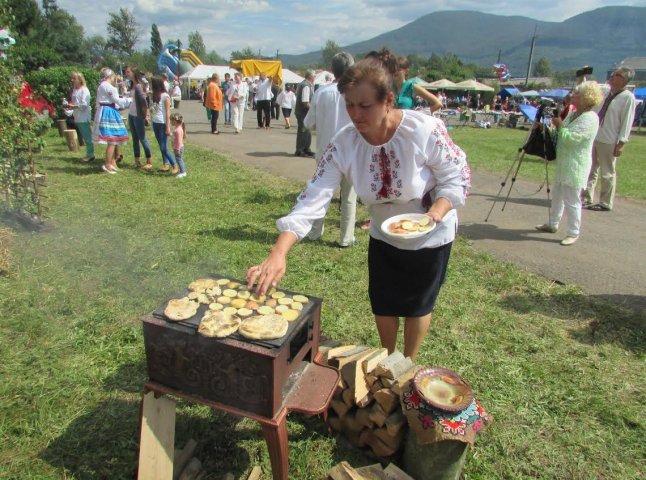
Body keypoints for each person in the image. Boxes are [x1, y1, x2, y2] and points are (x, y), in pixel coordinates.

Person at [246, 56, 471, 361]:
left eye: (364, 106)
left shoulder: (422, 129)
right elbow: (314, 196)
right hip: (384, 233)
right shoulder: (344, 144)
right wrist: (278, 252)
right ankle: (388, 360)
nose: (355, 114)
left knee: (419, 303)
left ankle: (408, 362)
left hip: (432, 232)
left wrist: (436, 214)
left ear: (388, 100)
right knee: (383, 301)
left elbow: (455, 176)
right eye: (349, 105)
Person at [535, 81, 603, 246]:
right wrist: (547, 129)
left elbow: (573, 139)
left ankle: (573, 232)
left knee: (572, 200)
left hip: (576, 164)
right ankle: (552, 223)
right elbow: (560, 136)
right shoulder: (574, 114)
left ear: (586, 97)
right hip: (564, 162)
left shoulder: (590, 118)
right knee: (557, 194)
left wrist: (559, 127)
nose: (572, 96)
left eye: (577, 94)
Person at [304, 51, 357, 247]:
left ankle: (315, 232)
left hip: (325, 152)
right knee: (349, 197)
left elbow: (309, 123)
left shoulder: (321, 92)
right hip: (351, 153)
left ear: (332, 70)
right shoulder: (356, 92)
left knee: (320, 194)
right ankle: (346, 237)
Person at [582, 66, 636, 211]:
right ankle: (586, 196)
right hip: (595, 134)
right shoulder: (606, 91)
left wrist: (621, 142)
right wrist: (583, 77)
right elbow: (589, 88)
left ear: (624, 80)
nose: (612, 76)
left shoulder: (628, 97)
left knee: (607, 171)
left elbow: (627, 121)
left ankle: (605, 202)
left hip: (609, 138)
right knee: (590, 167)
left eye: (616, 75)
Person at [93, 68, 130, 174]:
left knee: (113, 139)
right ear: (111, 77)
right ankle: (108, 164)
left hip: (106, 110)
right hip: (109, 111)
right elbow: (117, 100)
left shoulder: (101, 86)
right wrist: (129, 100)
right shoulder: (109, 87)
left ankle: (113, 162)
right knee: (112, 139)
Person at [125, 67, 152, 169]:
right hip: (131, 115)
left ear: (133, 73)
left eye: (128, 72)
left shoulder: (138, 87)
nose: (126, 74)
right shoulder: (132, 86)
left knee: (142, 138)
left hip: (138, 116)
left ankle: (149, 160)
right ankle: (137, 160)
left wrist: (145, 116)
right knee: (135, 139)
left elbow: (144, 102)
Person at [150, 76, 178, 173]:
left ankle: (174, 165)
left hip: (162, 123)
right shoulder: (156, 95)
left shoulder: (165, 96)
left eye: (152, 84)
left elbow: (167, 112)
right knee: (161, 145)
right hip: (156, 122)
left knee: (164, 147)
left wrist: (167, 127)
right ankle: (165, 164)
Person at [66, 72, 94, 162]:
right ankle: (89, 153)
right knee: (84, 135)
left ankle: (90, 154)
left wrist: (74, 106)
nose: (72, 80)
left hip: (83, 116)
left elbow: (84, 104)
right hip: (77, 116)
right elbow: (75, 101)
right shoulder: (75, 90)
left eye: (74, 78)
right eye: (72, 78)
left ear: (80, 79)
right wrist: (70, 105)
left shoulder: (84, 90)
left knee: (87, 136)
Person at [294, 70, 316, 157]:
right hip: (303, 112)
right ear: (310, 77)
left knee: (307, 130)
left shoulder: (304, 84)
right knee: (303, 131)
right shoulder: (306, 86)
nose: (315, 78)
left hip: (303, 112)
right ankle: (300, 150)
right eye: (314, 76)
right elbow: (305, 102)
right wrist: (313, 110)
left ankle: (306, 148)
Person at [170, 112, 187, 178]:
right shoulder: (178, 129)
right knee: (179, 159)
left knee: (179, 159)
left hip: (178, 148)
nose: (171, 122)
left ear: (176, 121)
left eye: (172, 120)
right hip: (178, 147)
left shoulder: (178, 130)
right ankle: (181, 170)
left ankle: (183, 172)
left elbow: (179, 141)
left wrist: (177, 149)